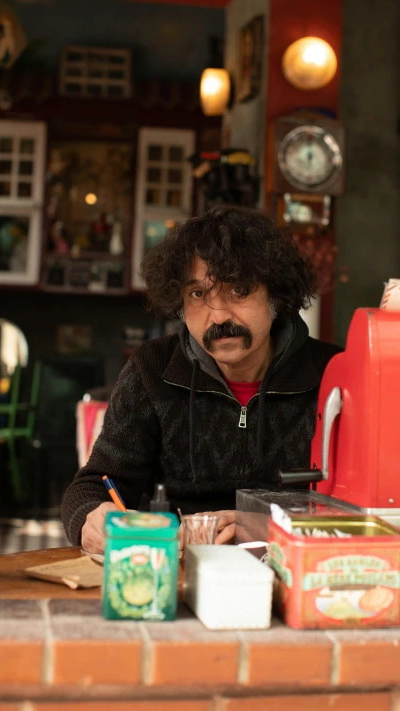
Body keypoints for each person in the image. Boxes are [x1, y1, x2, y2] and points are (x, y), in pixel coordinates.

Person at [61, 206, 340, 553]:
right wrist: (90, 517)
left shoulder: (333, 374)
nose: (219, 314)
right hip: (173, 572)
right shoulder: (153, 368)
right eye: (197, 294)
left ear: (277, 296)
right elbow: (93, 484)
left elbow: (363, 510)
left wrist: (264, 528)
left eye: (239, 289)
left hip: (293, 570)